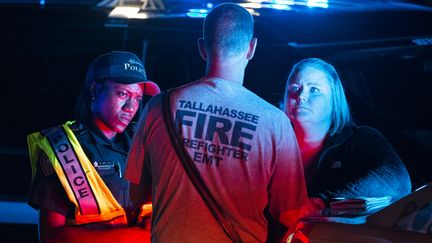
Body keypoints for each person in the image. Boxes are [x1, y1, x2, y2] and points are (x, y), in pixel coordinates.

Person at [125, 3, 308, 242]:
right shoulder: (275, 122)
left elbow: (135, 195)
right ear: (251, 48)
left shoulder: (158, 107)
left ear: (202, 48)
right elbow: (290, 214)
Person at [27, 51, 161, 243]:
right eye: (123, 94)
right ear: (94, 90)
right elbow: (52, 237)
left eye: (138, 98)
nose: (131, 107)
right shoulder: (63, 146)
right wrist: (139, 237)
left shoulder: (144, 142)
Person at [281, 57, 411, 207]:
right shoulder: (271, 145)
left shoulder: (360, 139)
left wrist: (319, 204)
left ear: (334, 99)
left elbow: (396, 181)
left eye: (314, 89)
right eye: (294, 88)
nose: (301, 96)